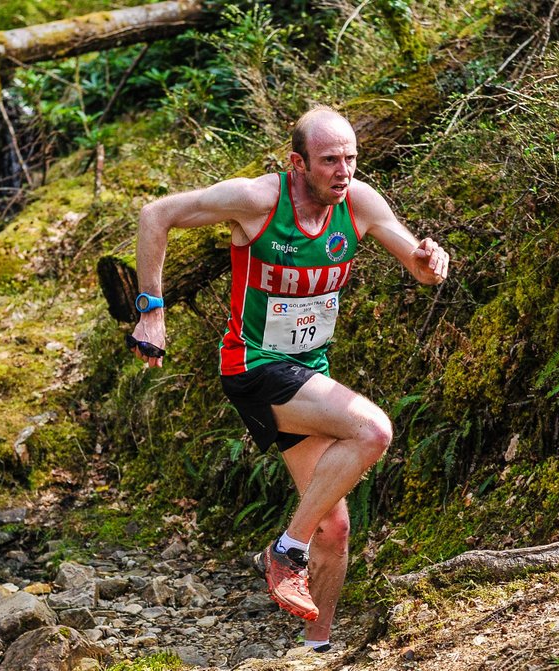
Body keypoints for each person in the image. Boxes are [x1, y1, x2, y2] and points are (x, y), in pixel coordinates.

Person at [128, 105, 450, 652]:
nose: (342, 171)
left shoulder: (361, 203)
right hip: (252, 366)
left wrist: (428, 262)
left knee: (335, 527)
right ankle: (286, 550)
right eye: (329, 161)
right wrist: (151, 311)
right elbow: (155, 214)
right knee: (372, 431)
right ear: (296, 162)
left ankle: (314, 647)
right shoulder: (257, 201)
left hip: (307, 371)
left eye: (350, 158)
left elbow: (415, 266)